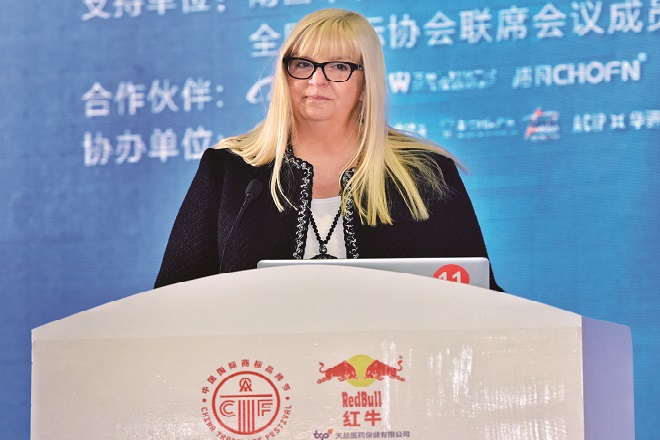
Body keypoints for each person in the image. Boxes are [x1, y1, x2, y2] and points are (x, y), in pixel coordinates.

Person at [155, 8, 502, 291]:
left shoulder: (424, 173)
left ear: (366, 85)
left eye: (338, 67)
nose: (316, 80)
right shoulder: (230, 169)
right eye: (303, 64)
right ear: (285, 76)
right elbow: (173, 295)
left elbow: (479, 295)